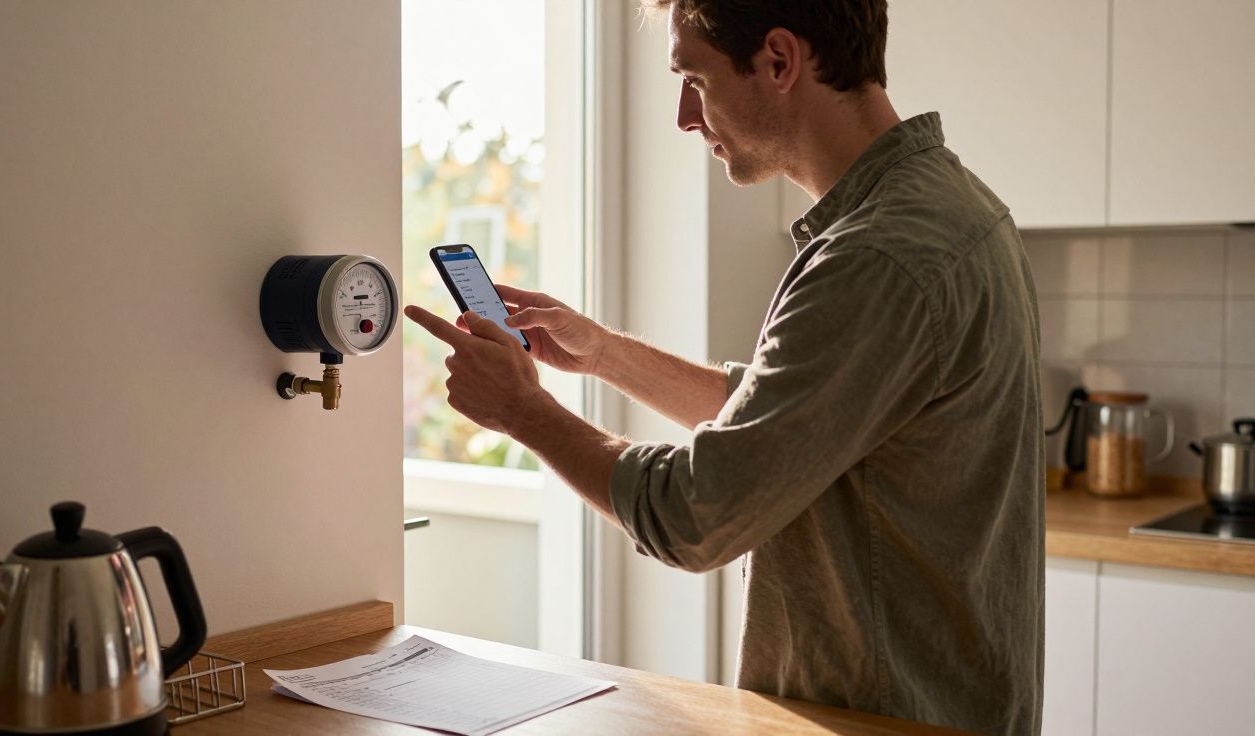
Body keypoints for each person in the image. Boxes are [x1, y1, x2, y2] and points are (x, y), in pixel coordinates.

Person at [404, 1, 1043, 733]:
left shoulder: (876, 256)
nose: (683, 115)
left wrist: (525, 413)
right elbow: (789, 420)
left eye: (695, 79)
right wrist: (605, 353)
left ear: (779, 60)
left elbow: (695, 514)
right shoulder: (951, 206)